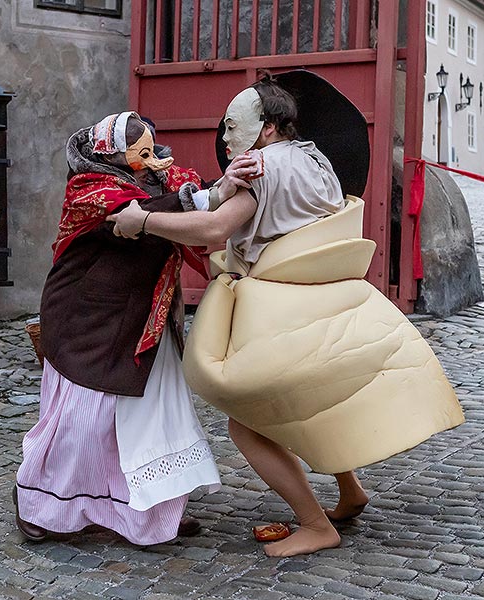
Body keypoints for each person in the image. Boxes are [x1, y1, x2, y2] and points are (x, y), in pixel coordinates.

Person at [109, 76, 463, 558]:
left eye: (234, 126)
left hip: (279, 311)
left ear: (269, 127)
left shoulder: (262, 169)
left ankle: (315, 524)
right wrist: (220, 186)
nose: (227, 138)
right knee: (308, 402)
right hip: (330, 303)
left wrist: (143, 220)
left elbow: (213, 229)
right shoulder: (316, 158)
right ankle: (350, 489)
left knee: (250, 421)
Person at [13, 112, 224, 546]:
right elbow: (142, 214)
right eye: (138, 151)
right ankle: (43, 506)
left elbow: (187, 201)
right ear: (110, 153)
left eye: (151, 147)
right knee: (84, 422)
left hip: (148, 317)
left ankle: (154, 508)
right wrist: (213, 196)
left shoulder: (166, 180)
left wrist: (218, 190)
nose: (149, 157)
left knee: (158, 416)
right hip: (89, 319)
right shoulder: (89, 189)